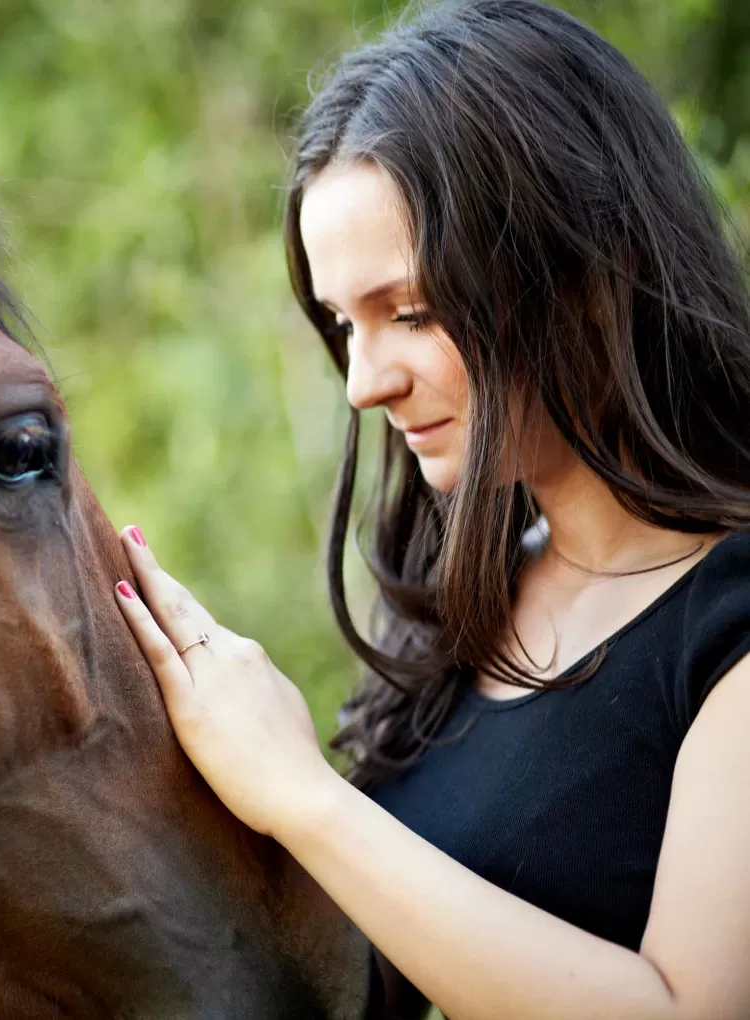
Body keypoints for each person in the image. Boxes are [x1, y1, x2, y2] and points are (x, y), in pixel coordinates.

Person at [111, 1, 750, 1017]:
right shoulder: (475, 593)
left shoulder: (729, 629)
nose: (363, 381)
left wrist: (305, 799)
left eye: (410, 311)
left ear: (587, 269)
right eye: (342, 322)